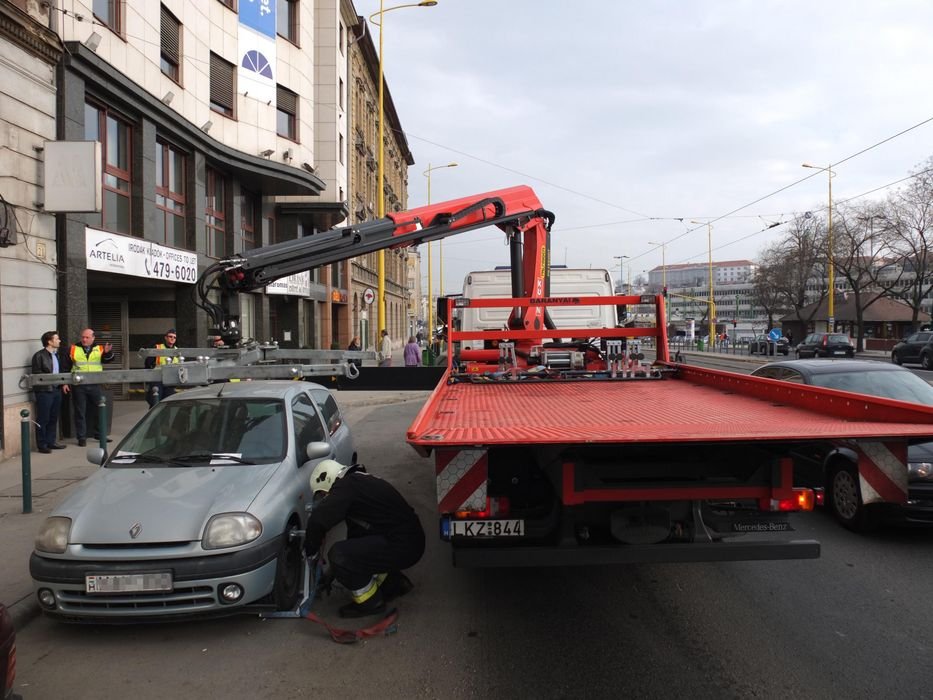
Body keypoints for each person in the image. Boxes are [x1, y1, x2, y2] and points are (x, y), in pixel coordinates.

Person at [304, 459, 425, 618]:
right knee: (348, 554)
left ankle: (370, 603)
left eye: (323, 494)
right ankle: (395, 584)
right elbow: (356, 543)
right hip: (409, 542)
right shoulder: (359, 483)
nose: (325, 498)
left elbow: (318, 520)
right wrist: (332, 573)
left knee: (338, 554)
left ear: (328, 480)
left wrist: (310, 550)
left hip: (403, 544)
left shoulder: (346, 486)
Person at [69, 328, 115, 446]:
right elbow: (66, 366)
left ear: (93, 338)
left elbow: (108, 360)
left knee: (100, 409)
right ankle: (81, 437)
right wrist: (65, 382)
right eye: (83, 337)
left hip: (95, 384)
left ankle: (99, 434)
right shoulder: (74, 348)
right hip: (79, 385)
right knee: (80, 411)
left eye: (87, 337)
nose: (84, 339)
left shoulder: (99, 348)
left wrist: (107, 352)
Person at [30, 331, 70, 453]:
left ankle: (51, 441)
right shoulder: (39, 356)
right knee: (44, 417)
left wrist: (63, 383)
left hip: (56, 390)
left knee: (53, 417)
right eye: (57, 339)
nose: (59, 341)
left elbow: (60, 371)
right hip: (45, 391)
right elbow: (37, 375)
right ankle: (42, 445)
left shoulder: (56, 355)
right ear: (49, 341)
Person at [144, 328, 180, 408]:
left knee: (168, 404)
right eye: (170, 336)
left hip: (170, 382)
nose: (172, 338)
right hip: (158, 379)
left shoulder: (177, 350)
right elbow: (148, 363)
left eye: (174, 337)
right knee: (155, 403)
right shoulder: (158, 347)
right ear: (165, 337)